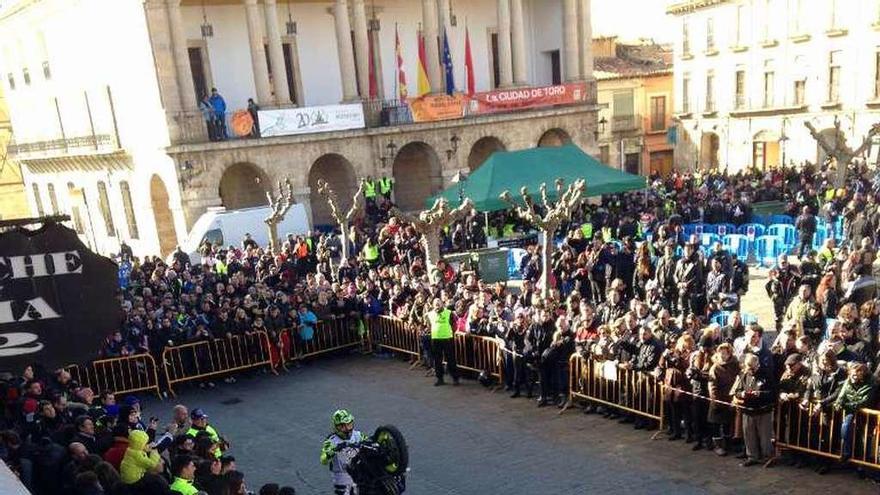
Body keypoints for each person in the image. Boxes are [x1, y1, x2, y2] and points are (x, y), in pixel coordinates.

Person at [731, 353, 776, 466]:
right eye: (748, 367)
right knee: (749, 434)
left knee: (765, 436)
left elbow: (773, 393)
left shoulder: (767, 374)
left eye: (752, 367)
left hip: (763, 409)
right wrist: (742, 394)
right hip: (748, 409)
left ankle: (767, 457)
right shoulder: (743, 374)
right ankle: (752, 456)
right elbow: (735, 390)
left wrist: (760, 394)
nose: (750, 370)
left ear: (757, 364)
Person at [320, 409, 365, 495]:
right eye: (343, 426)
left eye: (349, 424)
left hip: (358, 472)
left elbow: (368, 441)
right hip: (342, 476)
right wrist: (334, 450)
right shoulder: (331, 441)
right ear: (336, 427)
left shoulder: (358, 435)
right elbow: (323, 460)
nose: (347, 429)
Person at [426, 297, 459, 386]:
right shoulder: (429, 314)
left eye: (439, 303)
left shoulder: (449, 313)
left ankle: (455, 378)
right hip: (435, 339)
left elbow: (454, 325)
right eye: (435, 304)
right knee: (437, 360)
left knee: (451, 359)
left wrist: (450, 332)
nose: (437, 305)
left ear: (442, 304)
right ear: (433, 305)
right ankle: (440, 378)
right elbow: (428, 325)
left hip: (447, 339)